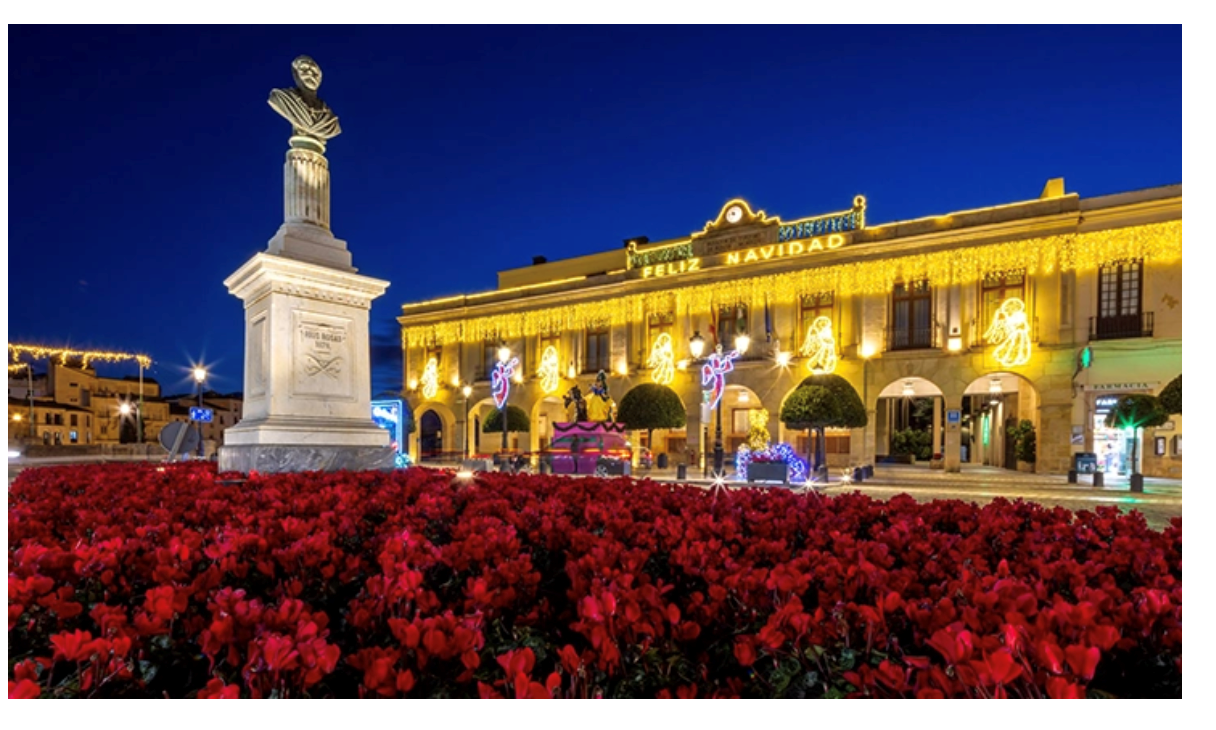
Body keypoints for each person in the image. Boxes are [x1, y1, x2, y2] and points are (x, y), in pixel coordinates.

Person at [268, 56, 342, 144]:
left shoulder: (329, 119)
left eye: (315, 72)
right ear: (295, 74)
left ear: (320, 79)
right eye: (304, 69)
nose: (310, 73)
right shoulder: (282, 98)